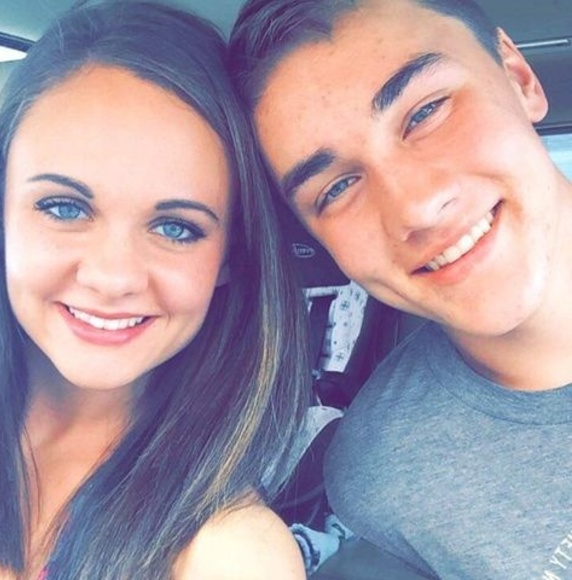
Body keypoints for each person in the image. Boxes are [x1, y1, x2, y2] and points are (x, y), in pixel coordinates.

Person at [229, 0, 572, 577]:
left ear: (519, 78)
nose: (415, 208)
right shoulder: (380, 473)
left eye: (426, 113)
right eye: (336, 188)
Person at [0, 1, 311, 578]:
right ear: (0, 212)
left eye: (176, 228)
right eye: (64, 208)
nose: (113, 278)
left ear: (229, 258)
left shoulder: (231, 552)